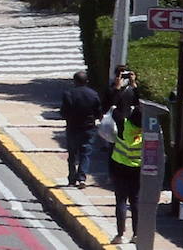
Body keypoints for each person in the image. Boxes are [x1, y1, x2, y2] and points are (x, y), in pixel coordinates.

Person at [108, 92, 143, 244]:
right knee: (135, 201)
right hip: (137, 169)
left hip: (119, 167)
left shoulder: (123, 124)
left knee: (121, 201)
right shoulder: (147, 133)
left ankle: (120, 235)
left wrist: (117, 89)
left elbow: (113, 109)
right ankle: (136, 234)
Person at [59, 71, 101, 188]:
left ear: (75, 81)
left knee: (72, 154)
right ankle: (82, 178)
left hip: (72, 128)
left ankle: (72, 179)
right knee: (85, 153)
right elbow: (98, 112)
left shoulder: (68, 94)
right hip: (88, 128)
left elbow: (63, 113)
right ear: (86, 81)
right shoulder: (93, 94)